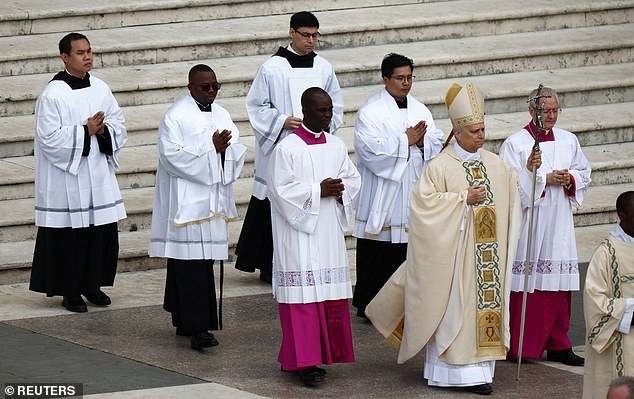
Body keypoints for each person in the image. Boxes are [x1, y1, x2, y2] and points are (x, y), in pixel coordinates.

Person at [366, 82, 526, 395]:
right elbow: (422, 207)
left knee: (483, 314)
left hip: (487, 261)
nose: (481, 135)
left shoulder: (498, 166)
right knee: (455, 315)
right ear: (458, 130)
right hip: (454, 260)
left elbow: (513, 206)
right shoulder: (439, 166)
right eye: (475, 131)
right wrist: (461, 200)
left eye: (483, 129)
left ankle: (482, 374)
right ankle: (454, 375)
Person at [235, 11, 344, 283]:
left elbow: (337, 105)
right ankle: (269, 263)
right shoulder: (272, 68)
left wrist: (321, 125)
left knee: (311, 192)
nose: (311, 41)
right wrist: (283, 120)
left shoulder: (324, 67)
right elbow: (256, 106)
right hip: (283, 143)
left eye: (315, 36)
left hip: (314, 146)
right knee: (280, 196)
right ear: (291, 32)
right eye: (306, 35)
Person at [148, 64, 247, 350]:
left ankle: (182, 317)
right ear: (190, 86)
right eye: (206, 87)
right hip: (186, 204)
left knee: (199, 264)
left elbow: (237, 149)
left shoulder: (222, 113)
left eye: (216, 85)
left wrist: (225, 151)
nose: (212, 91)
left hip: (211, 201)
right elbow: (171, 157)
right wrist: (211, 150)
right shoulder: (175, 115)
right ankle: (197, 328)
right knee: (189, 265)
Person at [267, 87, 360, 386]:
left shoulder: (335, 145)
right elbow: (280, 191)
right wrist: (318, 190)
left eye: (330, 109)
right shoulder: (287, 148)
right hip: (299, 235)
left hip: (328, 232)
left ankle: (314, 357)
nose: (328, 115)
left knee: (326, 296)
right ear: (305, 110)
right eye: (322, 110)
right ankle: (305, 362)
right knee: (303, 299)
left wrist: (340, 189)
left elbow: (353, 179)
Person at [29, 32, 127, 313]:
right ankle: (69, 291)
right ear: (64, 57)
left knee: (99, 233)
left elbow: (119, 123)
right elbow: (48, 139)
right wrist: (85, 131)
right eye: (80, 53)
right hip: (67, 179)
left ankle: (92, 285)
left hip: (97, 173)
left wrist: (105, 130)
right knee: (70, 237)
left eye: (89, 52)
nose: (87, 57)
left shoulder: (101, 87)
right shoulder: (53, 95)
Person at [499, 86, 591, 366]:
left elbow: (584, 171)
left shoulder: (569, 139)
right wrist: (540, 178)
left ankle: (560, 345)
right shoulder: (515, 144)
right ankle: (524, 346)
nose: (551, 116)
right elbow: (508, 185)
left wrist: (570, 179)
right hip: (532, 224)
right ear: (531, 111)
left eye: (554, 110)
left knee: (560, 283)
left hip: (559, 220)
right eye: (545, 111)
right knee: (530, 284)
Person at [352, 53, 443, 318]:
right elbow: (368, 150)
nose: (406, 83)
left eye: (409, 77)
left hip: (411, 186)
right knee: (378, 250)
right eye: (400, 78)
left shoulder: (420, 108)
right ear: (385, 79)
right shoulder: (371, 110)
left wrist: (424, 142)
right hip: (383, 192)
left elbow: (435, 139)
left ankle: (401, 305)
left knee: (406, 250)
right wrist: (406, 141)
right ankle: (369, 305)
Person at [583, 192, 634, 399]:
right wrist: (629, 310)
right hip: (621, 339)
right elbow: (594, 302)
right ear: (622, 216)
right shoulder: (606, 253)